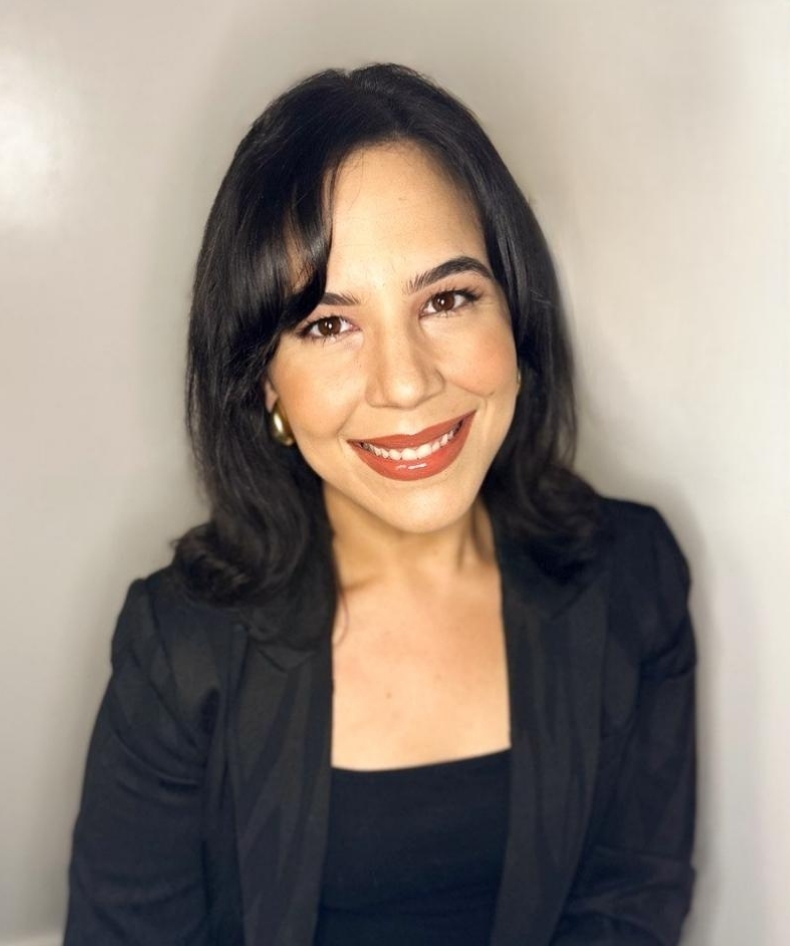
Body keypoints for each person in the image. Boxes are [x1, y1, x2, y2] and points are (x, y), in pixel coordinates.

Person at [64, 63, 697, 946]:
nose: (405, 383)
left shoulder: (635, 577)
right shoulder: (179, 645)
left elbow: (630, 907)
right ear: (265, 384)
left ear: (516, 316)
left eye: (448, 299)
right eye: (328, 325)